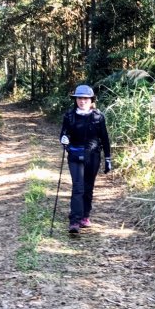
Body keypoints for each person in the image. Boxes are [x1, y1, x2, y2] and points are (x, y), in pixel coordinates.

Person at [59, 84, 111, 234]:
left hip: (93, 156)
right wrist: (64, 139)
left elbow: (105, 139)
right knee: (78, 187)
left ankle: (85, 216)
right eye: (79, 98)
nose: (82, 101)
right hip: (74, 155)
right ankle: (74, 221)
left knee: (88, 187)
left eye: (86, 98)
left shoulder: (98, 117)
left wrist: (108, 158)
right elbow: (64, 134)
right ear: (75, 99)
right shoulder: (69, 116)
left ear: (91, 100)